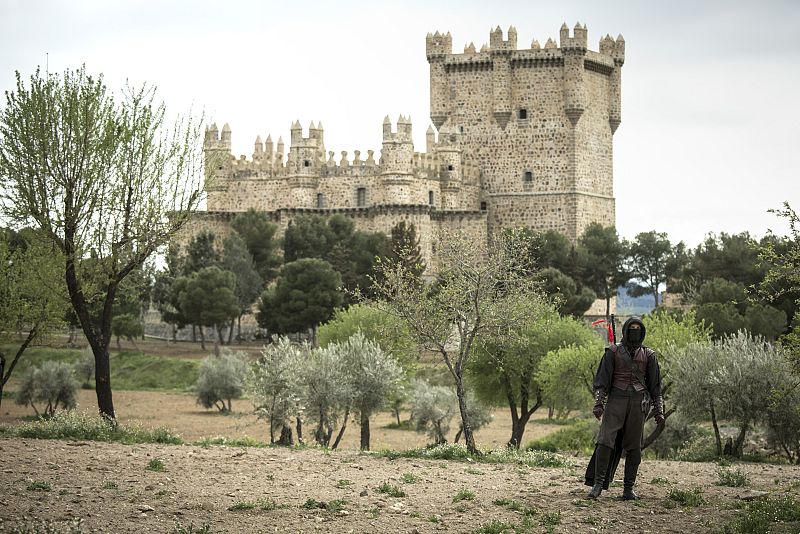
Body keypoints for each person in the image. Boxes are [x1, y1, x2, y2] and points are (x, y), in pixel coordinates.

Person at [584, 316, 665, 500]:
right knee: (605, 442)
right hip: (616, 401)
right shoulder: (612, 352)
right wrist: (599, 403)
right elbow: (602, 381)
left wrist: (659, 410)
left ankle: (628, 489)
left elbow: (655, 387)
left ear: (642, 331)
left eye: (638, 328)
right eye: (632, 328)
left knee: (634, 447)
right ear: (626, 330)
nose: (635, 331)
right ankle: (597, 484)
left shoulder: (649, 355)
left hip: (638, 404)